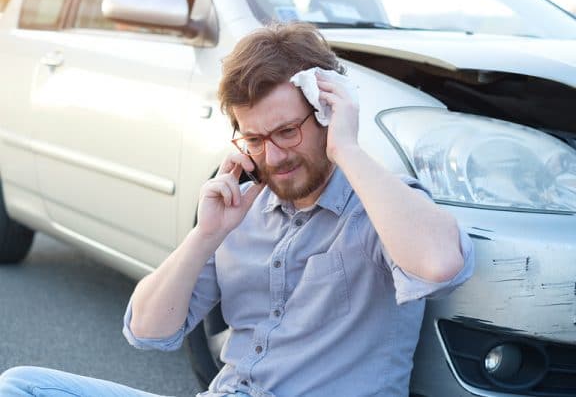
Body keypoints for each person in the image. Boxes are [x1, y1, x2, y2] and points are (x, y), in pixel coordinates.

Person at [0, 22, 473, 397]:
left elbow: (439, 265)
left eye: (287, 131)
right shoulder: (240, 212)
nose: (274, 157)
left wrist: (345, 148)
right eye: (254, 139)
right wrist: (206, 234)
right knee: (22, 386)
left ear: (328, 112)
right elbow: (147, 330)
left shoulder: (379, 204)